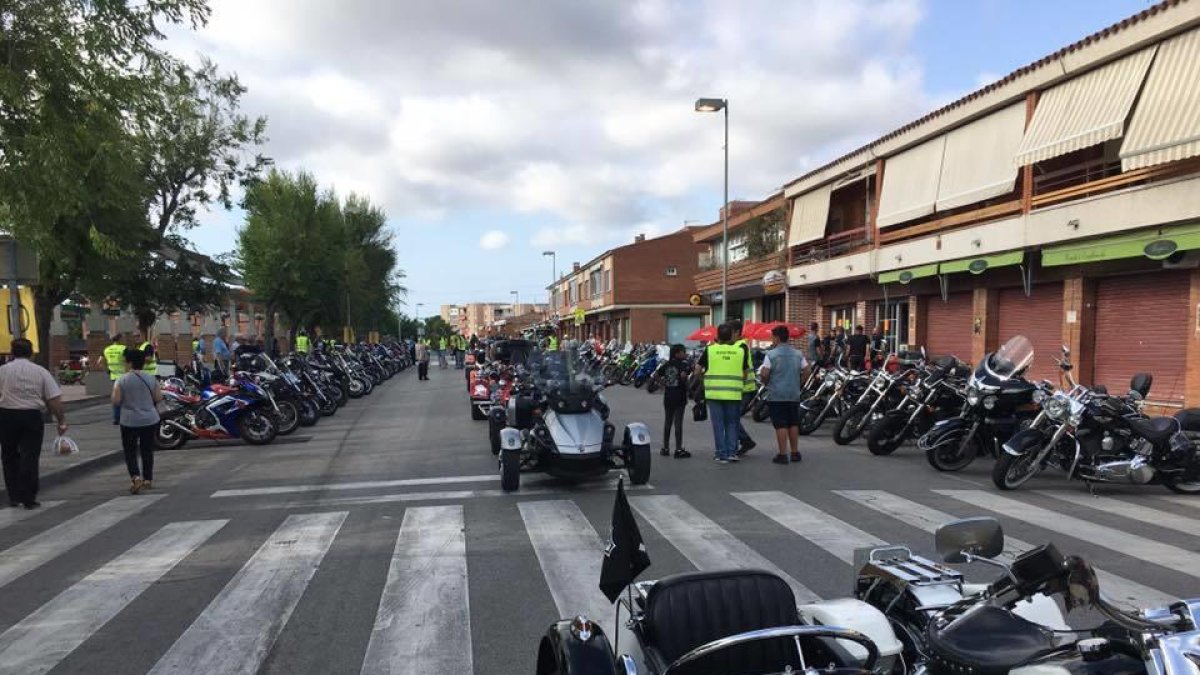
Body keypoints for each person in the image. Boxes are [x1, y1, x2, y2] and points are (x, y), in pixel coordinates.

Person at [0, 339, 67, 509]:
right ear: (31, 353)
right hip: (31, 416)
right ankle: (29, 497)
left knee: (9, 456)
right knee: (30, 456)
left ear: (12, 352)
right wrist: (61, 421)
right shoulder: (40, 372)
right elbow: (54, 399)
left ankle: (14, 495)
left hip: (7, 416)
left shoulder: (3, 371)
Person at [696, 323, 748, 464]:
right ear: (732, 335)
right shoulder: (740, 351)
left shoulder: (710, 350)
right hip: (733, 393)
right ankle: (732, 452)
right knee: (732, 423)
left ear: (718, 336)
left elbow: (697, 369)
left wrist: (704, 380)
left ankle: (721, 454)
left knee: (718, 424)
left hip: (714, 394)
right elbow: (745, 373)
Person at [111, 347, 161, 494]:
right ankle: (148, 479)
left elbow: (116, 400)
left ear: (129, 363)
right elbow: (158, 398)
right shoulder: (151, 379)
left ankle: (135, 477)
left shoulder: (122, 380)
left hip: (129, 421)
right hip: (149, 419)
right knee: (147, 450)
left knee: (130, 451)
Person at [760, 325, 808, 465]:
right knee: (793, 422)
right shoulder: (798, 354)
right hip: (793, 393)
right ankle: (795, 452)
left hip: (777, 394)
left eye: (772, 337)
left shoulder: (771, 355)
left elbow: (764, 373)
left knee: (781, 424)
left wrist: (765, 381)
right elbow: (807, 370)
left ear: (777, 337)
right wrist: (800, 382)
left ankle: (782, 454)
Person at [728, 319, 757, 456]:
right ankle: (744, 441)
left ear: (737, 332)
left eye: (730, 332)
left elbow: (741, 369)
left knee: (732, 418)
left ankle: (745, 441)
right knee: (732, 418)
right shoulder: (738, 345)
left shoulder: (741, 346)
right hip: (742, 388)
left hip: (745, 389)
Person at [658, 344, 692, 459]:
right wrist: (687, 386)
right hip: (679, 396)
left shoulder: (666, 364)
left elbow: (656, 375)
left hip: (668, 396)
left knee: (667, 422)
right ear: (677, 353)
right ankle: (678, 449)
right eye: (683, 352)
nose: (685, 353)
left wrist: (664, 384)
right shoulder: (684, 365)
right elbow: (684, 376)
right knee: (678, 423)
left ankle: (665, 448)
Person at [102, 334, 126, 425]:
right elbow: (128, 362)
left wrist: (107, 370)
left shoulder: (107, 349)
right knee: (126, 397)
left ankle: (116, 418)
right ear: (120, 339)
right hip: (124, 376)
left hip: (113, 376)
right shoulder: (123, 348)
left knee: (116, 397)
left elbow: (100, 362)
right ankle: (123, 417)